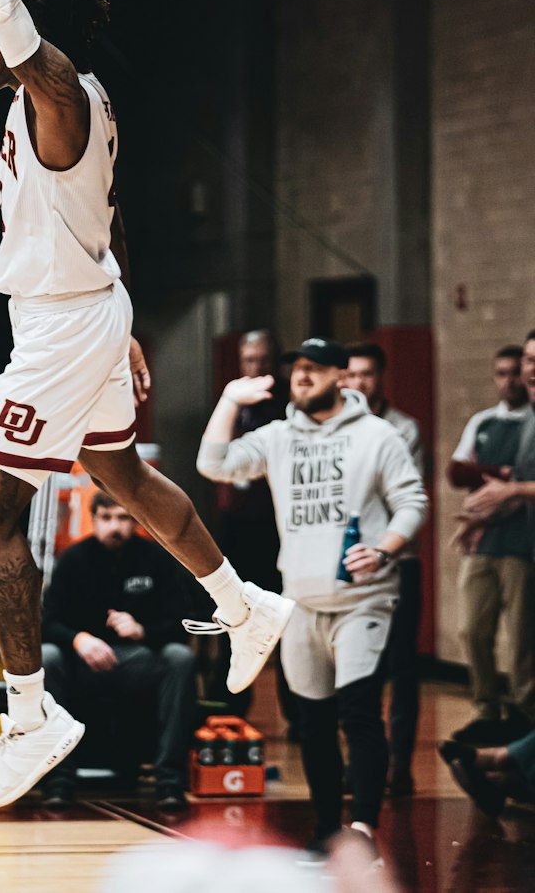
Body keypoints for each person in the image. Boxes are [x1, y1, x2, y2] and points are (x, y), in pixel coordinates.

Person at [0, 0, 293, 813]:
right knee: (120, 472)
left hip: (57, 322)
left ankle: (30, 714)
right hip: (84, 310)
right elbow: (116, 219)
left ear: (28, 34)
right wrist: (125, 324)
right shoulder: (68, 97)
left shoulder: (54, 90)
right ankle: (243, 600)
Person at [197, 338, 429, 860]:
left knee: (359, 712)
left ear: (339, 377)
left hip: (363, 599)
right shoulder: (279, 437)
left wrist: (384, 549)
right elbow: (214, 464)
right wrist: (231, 400)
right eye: (297, 369)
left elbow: (412, 502)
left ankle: (364, 827)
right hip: (299, 601)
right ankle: (328, 829)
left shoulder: (377, 436)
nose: (301, 377)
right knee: (314, 722)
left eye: (314, 369)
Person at [40, 490, 197, 810]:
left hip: (137, 661)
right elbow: (48, 622)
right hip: (80, 664)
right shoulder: (72, 560)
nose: (115, 526)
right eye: (107, 518)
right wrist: (79, 640)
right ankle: (58, 781)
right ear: (94, 519)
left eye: (124, 518)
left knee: (180, 658)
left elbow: (184, 623)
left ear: (136, 521)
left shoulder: (157, 559)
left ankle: (170, 781)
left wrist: (143, 631)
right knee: (46, 656)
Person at [344, 341, 426, 796]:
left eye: (367, 375)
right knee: (359, 670)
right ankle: (362, 761)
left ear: (381, 378)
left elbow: (403, 501)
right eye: (351, 375)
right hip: (351, 566)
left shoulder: (403, 429)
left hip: (398, 562)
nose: (358, 383)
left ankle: (400, 764)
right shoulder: (337, 431)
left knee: (402, 668)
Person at [447, 341, 535, 745]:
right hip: (486, 539)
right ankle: (488, 708)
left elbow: (512, 485)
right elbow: (464, 475)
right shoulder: (485, 422)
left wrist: (503, 489)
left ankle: (523, 715)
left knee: (521, 641)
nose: (514, 378)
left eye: (518, 369)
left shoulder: (528, 421)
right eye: (504, 372)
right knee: (471, 629)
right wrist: (480, 513)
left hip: (521, 543)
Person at [211, 329, 293, 721]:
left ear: (274, 363)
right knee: (232, 610)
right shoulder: (233, 403)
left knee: (285, 617)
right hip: (235, 523)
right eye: (249, 360)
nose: (256, 367)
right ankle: (229, 703)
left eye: (263, 360)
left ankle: (295, 711)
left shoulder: (286, 408)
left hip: (274, 528)